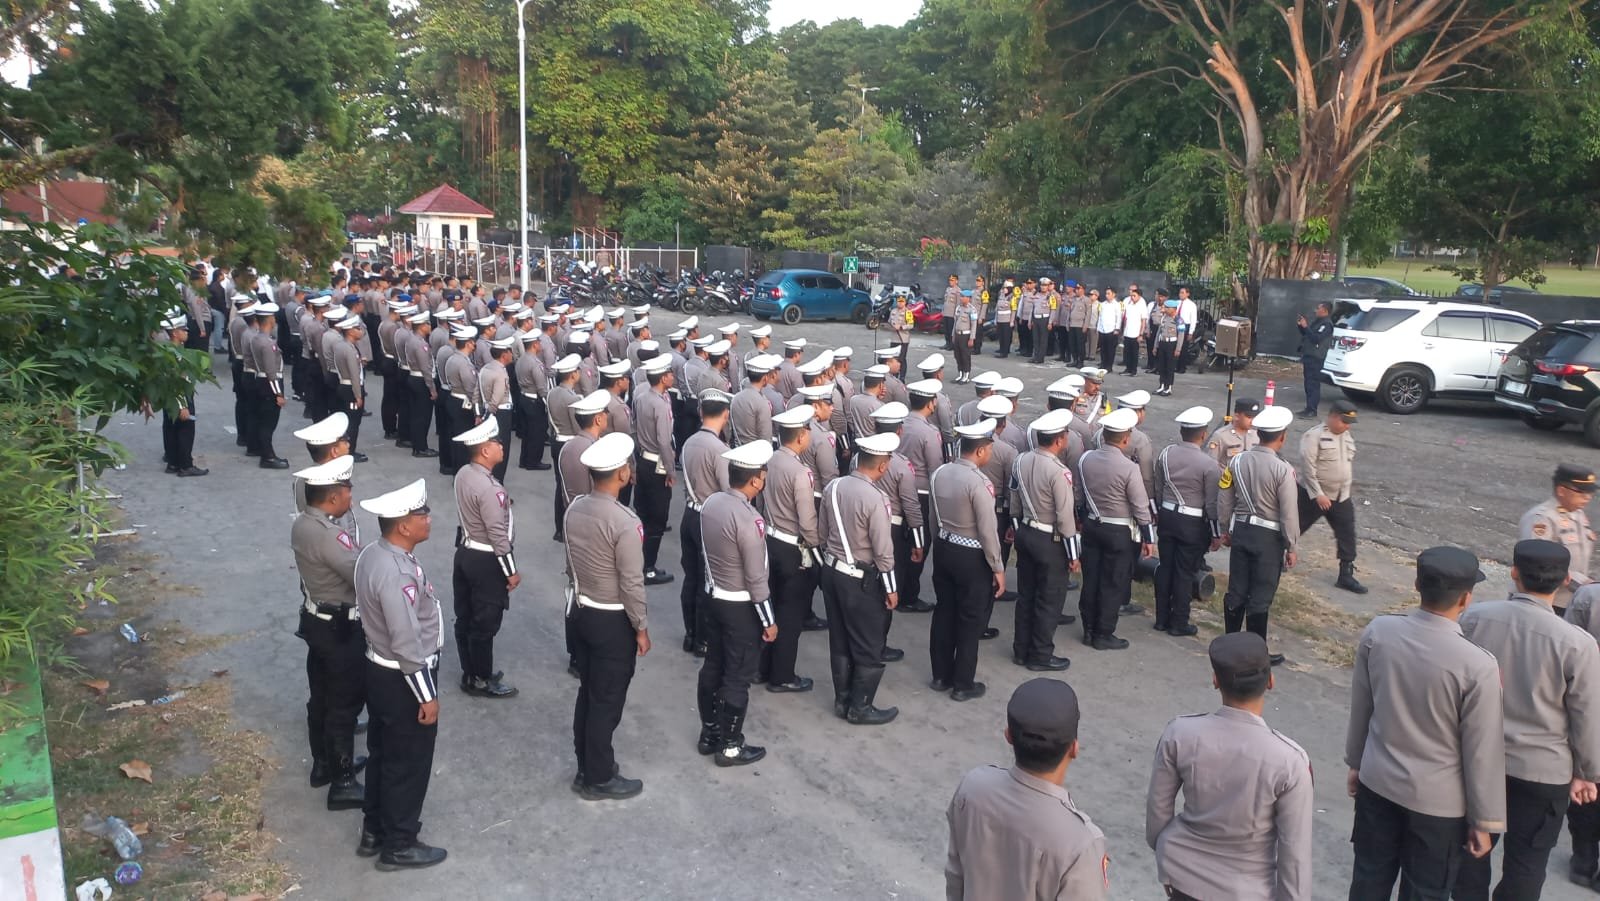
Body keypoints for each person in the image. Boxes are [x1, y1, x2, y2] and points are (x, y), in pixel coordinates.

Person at [1345, 546, 1505, 900]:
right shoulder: (1477, 665)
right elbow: (1482, 750)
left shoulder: (1380, 632)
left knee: (1369, 879)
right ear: (1466, 599)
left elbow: (1363, 705)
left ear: (1416, 584)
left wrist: (1357, 762)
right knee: (1425, 891)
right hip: (1438, 805)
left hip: (1379, 780)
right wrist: (1486, 820)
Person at [1454, 539, 1600, 900]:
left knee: (1471, 853)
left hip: (1478, 762)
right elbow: (1585, 715)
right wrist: (1587, 772)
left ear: (1514, 572)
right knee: (1527, 863)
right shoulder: (1577, 644)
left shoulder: (1474, 618)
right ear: (1567, 580)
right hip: (1543, 772)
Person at [1146, 633, 1313, 901]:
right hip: (1248, 890)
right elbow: (1295, 856)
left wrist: (1171, 853)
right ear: (1271, 681)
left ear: (1215, 680)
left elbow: (1157, 815)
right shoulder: (1289, 761)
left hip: (1182, 878)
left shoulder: (1180, 733)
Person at [354, 479, 448, 871]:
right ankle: (400, 843)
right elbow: (406, 641)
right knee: (407, 763)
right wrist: (425, 694)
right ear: (403, 526)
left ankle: (374, 829)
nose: (428, 518)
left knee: (383, 753)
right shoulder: (395, 572)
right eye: (421, 514)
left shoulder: (374, 555)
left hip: (379, 669)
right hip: (402, 677)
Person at [945, 678, 1107, 901]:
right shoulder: (1079, 843)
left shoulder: (973, 787)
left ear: (1009, 736)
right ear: (1074, 748)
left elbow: (955, 877)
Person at [564, 432, 651, 801]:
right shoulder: (623, 521)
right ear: (621, 474)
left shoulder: (575, 508)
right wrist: (641, 627)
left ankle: (587, 765)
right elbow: (631, 582)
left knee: (589, 693)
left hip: (580, 610)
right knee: (606, 699)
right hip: (611, 618)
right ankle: (598, 777)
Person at [289, 455, 366, 811]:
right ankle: (344, 781)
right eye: (347, 489)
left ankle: (323, 765)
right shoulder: (330, 535)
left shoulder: (304, 523)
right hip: (338, 626)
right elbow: (360, 575)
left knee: (320, 695)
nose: (351, 495)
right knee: (342, 703)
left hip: (317, 620)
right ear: (333, 497)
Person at [696, 441, 778, 767]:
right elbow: (756, 578)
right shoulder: (749, 518)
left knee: (713, 665)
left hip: (713, 596)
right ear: (756, 480)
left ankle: (709, 733)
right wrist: (769, 619)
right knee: (737, 676)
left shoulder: (712, 502)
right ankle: (729, 746)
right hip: (739, 606)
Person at [818, 432, 902, 724]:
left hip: (831, 571)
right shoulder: (876, 498)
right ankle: (860, 707)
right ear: (882, 465)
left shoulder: (833, 486)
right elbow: (883, 550)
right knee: (868, 642)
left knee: (839, 638)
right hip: (860, 579)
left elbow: (821, 531)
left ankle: (842, 701)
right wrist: (891, 588)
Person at [929, 420, 1005, 701]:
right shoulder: (979, 483)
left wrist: (939, 544)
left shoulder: (940, 473)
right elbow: (987, 530)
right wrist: (997, 567)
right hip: (972, 556)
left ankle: (940, 675)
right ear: (982, 450)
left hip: (945, 548)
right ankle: (963, 683)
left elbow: (933, 517)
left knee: (944, 612)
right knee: (971, 619)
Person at [1219, 405, 1299, 665]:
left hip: (1242, 530)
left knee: (1237, 589)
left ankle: (1230, 644)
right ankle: (1255, 654)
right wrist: (1291, 545)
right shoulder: (1282, 469)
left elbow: (1225, 498)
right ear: (1282, 436)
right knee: (1261, 595)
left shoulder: (1237, 460)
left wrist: (1224, 529)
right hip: (1268, 537)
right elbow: (1288, 513)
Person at [450, 418, 519, 700]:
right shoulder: (491, 488)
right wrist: (511, 570)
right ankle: (481, 678)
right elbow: (497, 534)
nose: (501, 446)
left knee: (466, 616)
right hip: (486, 559)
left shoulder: (465, 474)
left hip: (465, 552)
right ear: (485, 450)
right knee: (485, 622)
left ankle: (470, 671)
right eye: (496, 442)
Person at [1077, 408, 1155, 650]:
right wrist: (1148, 536)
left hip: (1092, 524)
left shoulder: (1085, 459)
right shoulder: (1129, 468)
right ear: (1125, 438)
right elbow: (1140, 505)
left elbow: (1079, 494)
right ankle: (1103, 633)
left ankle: (1088, 629)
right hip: (1119, 532)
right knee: (1113, 583)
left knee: (1091, 579)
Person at [1010, 409, 1078, 671]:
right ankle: (1040, 655)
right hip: (1050, 538)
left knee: (1026, 594)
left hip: (1026, 531)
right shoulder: (1059, 471)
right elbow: (1065, 516)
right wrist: (1073, 553)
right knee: (1049, 599)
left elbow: (1014, 497)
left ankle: (1021, 649)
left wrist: (1016, 526)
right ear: (1059, 440)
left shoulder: (1020, 460)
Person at [759, 406, 820, 693]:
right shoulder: (800, 472)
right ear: (801, 435)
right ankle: (782, 675)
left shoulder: (770, 460)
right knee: (789, 615)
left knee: (769, 607)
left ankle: (762, 668)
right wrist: (816, 546)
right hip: (791, 546)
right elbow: (807, 520)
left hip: (769, 540)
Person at [1154, 407, 1221, 637]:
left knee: (1165, 567)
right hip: (1192, 522)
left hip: (1167, 515)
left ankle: (1161, 618)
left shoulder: (1165, 454)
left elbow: (1158, 487)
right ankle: (1178, 622)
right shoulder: (1209, 465)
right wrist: (1215, 531)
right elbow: (1211, 504)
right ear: (1203, 435)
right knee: (1184, 573)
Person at [680, 390, 733, 656]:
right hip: (708, 517)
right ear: (725, 414)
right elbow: (727, 490)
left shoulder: (689, 442)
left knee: (691, 578)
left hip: (689, 513)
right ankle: (703, 639)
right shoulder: (720, 450)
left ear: (701, 413)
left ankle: (690, 634)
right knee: (707, 582)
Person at [1296, 400, 1367, 594]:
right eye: (1344, 421)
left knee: (1347, 533)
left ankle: (1346, 574)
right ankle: (1278, 557)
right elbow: (1308, 469)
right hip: (1313, 495)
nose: (1347, 425)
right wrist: (1318, 494)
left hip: (1340, 495)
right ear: (1333, 416)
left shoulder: (1345, 435)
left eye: (1349, 422)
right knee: (1294, 527)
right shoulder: (1314, 436)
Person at [1520, 463, 1597, 612]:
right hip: (1544, 600)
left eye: (1590, 493)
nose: (1587, 498)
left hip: (1570, 599)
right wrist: (1582, 582)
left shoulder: (1577, 514)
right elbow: (1539, 563)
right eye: (1581, 492)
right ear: (1561, 490)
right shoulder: (1542, 519)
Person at [632, 354, 677, 585]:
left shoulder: (642, 397)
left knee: (643, 514)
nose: (672, 377)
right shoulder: (659, 403)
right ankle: (648, 568)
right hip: (656, 462)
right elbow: (663, 440)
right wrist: (670, 470)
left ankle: (638, 562)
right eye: (669, 374)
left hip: (643, 460)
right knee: (657, 519)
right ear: (662, 378)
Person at [156, 315, 208, 477]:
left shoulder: (166, 351)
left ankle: (173, 462)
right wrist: (182, 405)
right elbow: (177, 382)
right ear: (175, 334)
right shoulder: (177, 355)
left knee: (171, 428)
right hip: (180, 397)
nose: (186, 332)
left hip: (168, 397)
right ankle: (185, 464)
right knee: (185, 430)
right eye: (183, 330)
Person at [248, 301, 291, 469]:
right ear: (270, 320)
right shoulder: (267, 343)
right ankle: (268, 456)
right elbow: (271, 371)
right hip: (269, 382)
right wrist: (278, 393)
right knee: (268, 422)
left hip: (261, 380)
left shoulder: (257, 339)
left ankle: (266, 452)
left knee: (263, 420)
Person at [1295, 301, 1334, 418]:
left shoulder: (1327, 324)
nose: (1316, 310)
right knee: (1308, 383)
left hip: (1316, 357)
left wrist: (1306, 326)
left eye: (1318, 308)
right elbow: (1307, 335)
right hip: (1309, 355)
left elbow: (1316, 338)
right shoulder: (1318, 322)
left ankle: (1312, 410)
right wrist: (1301, 326)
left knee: (1313, 384)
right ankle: (1308, 408)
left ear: (1325, 311)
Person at [1206, 398, 1260, 467]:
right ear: (1237, 416)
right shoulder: (1221, 436)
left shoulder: (1257, 434)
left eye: (1255, 417)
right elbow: (1211, 463)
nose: (1253, 421)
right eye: (1249, 417)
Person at [1151, 294, 1181, 396]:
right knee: (1161, 366)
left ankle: (1168, 387)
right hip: (1162, 343)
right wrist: (1155, 346)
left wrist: (1178, 349)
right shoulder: (1164, 318)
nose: (1165, 309)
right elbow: (1159, 333)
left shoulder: (1178, 320)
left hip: (1171, 344)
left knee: (1170, 367)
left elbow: (1181, 336)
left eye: (1167, 307)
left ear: (1173, 309)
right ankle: (1162, 385)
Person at [951, 286, 978, 383]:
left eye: (963, 297)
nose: (961, 298)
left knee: (965, 355)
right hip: (958, 334)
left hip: (966, 335)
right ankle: (960, 373)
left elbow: (974, 325)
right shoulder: (958, 308)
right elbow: (955, 322)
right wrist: (953, 334)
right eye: (961, 296)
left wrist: (972, 338)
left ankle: (966, 375)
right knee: (957, 355)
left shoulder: (972, 309)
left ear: (968, 298)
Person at [1030, 277, 1056, 365]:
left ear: (1048, 287)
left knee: (1043, 339)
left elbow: (1053, 310)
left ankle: (1040, 358)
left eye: (1045, 286)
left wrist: (1050, 322)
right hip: (1036, 318)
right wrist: (1030, 320)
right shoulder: (1036, 295)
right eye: (1042, 285)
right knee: (1035, 339)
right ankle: (1035, 356)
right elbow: (1032, 309)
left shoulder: (1050, 297)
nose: (1043, 287)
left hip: (1044, 319)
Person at [992, 279, 1017, 358]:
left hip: (1007, 320)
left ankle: (1005, 352)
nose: (1004, 289)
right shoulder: (1001, 296)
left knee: (1006, 336)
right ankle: (1001, 349)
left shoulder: (1012, 297)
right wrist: (996, 319)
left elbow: (1013, 310)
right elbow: (997, 309)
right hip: (1000, 319)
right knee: (1001, 336)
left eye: (1006, 288)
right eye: (1004, 288)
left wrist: (1012, 321)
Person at [889, 292, 914, 369]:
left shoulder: (908, 312)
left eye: (902, 302)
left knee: (901, 359)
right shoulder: (893, 311)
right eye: (899, 301)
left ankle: (902, 377)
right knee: (893, 358)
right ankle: (894, 374)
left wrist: (901, 327)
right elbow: (889, 321)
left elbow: (911, 325)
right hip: (894, 339)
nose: (900, 303)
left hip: (903, 339)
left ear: (905, 302)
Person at [941, 274, 961, 350]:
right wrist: (943, 311)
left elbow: (958, 303)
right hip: (946, 312)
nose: (950, 281)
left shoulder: (958, 290)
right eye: (950, 280)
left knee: (951, 330)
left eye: (952, 280)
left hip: (952, 313)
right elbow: (945, 301)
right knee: (946, 330)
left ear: (956, 281)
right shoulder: (948, 289)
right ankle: (947, 343)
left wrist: (956, 314)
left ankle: (952, 345)